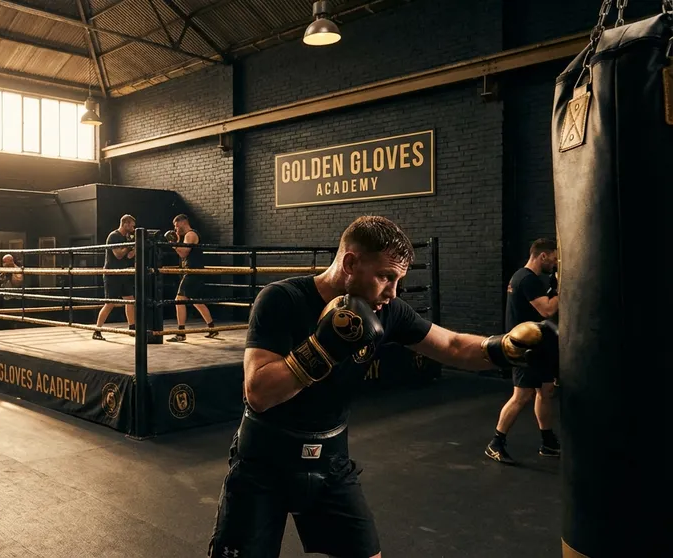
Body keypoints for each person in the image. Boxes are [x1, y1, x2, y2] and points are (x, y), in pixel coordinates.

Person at [208, 216, 558, 558]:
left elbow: (451, 345)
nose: (393, 292)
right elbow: (259, 394)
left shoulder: (388, 311)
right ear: (350, 263)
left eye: (398, 280)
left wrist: (505, 347)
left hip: (330, 461)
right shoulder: (282, 299)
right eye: (385, 277)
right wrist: (323, 347)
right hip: (263, 461)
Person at [485, 238, 561, 464]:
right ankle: (496, 443)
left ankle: (548, 442)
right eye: (553, 259)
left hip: (537, 345)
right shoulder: (527, 279)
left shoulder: (525, 277)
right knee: (522, 396)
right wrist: (564, 286)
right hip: (524, 348)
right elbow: (547, 310)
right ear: (542, 255)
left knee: (545, 390)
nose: (554, 264)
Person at [165, 214, 217, 342]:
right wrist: (177, 242)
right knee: (196, 301)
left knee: (179, 300)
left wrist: (174, 243)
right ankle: (212, 328)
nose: (176, 229)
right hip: (193, 271)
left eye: (177, 225)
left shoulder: (190, 235)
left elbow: (183, 253)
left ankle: (181, 333)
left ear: (183, 222)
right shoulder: (188, 235)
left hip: (193, 272)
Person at [94, 214, 136, 341]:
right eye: (132, 226)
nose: (133, 229)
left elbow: (128, 256)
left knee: (130, 300)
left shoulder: (125, 237)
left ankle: (132, 328)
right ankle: (97, 330)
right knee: (110, 303)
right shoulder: (114, 236)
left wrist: (136, 247)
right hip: (112, 274)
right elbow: (118, 255)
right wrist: (129, 246)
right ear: (125, 224)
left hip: (123, 273)